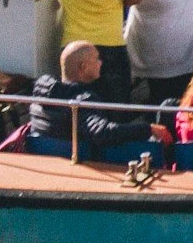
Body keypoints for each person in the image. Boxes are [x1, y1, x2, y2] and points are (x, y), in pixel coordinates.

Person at [26, 40, 169, 158]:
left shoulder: (41, 92)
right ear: (83, 67)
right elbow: (101, 132)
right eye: (96, 59)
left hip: (43, 155)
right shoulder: (82, 100)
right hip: (80, 160)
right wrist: (148, 129)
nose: (101, 62)